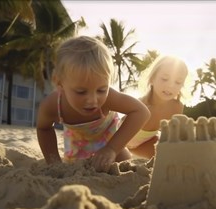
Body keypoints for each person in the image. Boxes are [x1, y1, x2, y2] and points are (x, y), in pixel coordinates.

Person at [36, 36, 150, 172]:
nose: (93, 100)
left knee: (124, 163)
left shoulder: (109, 98)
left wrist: (112, 148)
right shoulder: (52, 105)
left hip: (112, 151)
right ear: (59, 83)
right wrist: (53, 162)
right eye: (81, 92)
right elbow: (44, 128)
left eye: (101, 90)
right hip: (77, 155)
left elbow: (141, 112)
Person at [125, 55, 189, 159]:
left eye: (178, 82)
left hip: (144, 144)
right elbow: (118, 129)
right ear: (152, 79)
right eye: (165, 79)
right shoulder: (140, 105)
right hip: (122, 143)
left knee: (171, 155)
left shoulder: (177, 107)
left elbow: (172, 137)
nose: (171, 86)